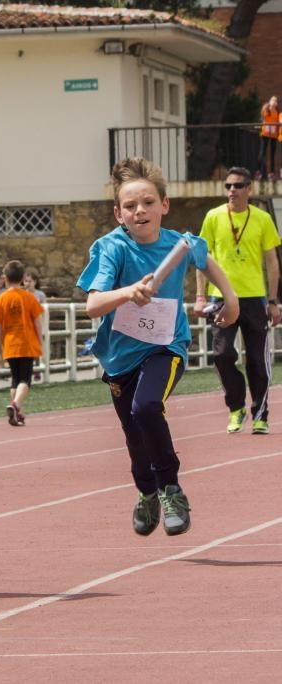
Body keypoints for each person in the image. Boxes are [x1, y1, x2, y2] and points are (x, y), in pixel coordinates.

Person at [78, 157, 239, 538]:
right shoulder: (111, 248)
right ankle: (147, 492)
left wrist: (229, 299)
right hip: (120, 357)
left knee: (147, 406)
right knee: (135, 438)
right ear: (119, 213)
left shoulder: (180, 245)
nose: (140, 211)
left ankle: (171, 489)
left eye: (148, 202)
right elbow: (92, 305)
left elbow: (208, 262)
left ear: (164, 205)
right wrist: (127, 293)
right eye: (131, 206)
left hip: (166, 348)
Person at [196, 166, 281, 434]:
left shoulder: (262, 219)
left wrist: (273, 300)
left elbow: (272, 262)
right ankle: (236, 406)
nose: (232, 190)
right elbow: (201, 258)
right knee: (221, 354)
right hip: (221, 297)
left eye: (238, 185)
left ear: (249, 189)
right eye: (228, 186)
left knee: (257, 359)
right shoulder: (213, 217)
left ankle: (260, 413)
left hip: (254, 298)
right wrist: (200, 297)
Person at [0, 260, 43, 427]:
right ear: (22, 278)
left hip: (10, 344)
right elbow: (37, 323)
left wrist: (2, 342)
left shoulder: (0, 300)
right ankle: (15, 405)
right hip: (27, 344)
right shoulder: (29, 298)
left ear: (5, 278)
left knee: (15, 380)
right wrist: (40, 341)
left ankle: (16, 412)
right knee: (25, 380)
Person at [259, 96, 279, 181]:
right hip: (265, 133)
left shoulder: (277, 112)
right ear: (270, 101)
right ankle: (260, 171)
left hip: (273, 134)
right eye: (273, 101)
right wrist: (268, 107)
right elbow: (264, 116)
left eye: (275, 101)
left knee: (272, 153)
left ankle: (271, 173)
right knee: (263, 152)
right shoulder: (266, 109)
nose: (274, 102)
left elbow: (278, 121)